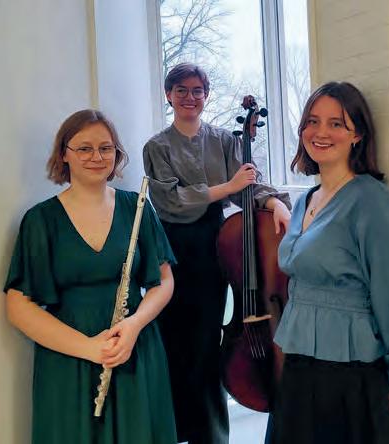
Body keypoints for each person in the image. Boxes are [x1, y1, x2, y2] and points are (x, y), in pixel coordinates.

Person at [4, 109, 177, 444]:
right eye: (84, 148)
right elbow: (18, 306)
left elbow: (163, 281)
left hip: (133, 347)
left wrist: (134, 325)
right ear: (63, 154)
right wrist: (89, 348)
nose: (97, 157)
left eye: (106, 148)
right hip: (68, 356)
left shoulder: (137, 207)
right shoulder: (40, 220)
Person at [143, 62, 291, 444]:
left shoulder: (225, 140)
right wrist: (226, 187)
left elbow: (248, 186)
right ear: (168, 95)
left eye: (197, 90)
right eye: (181, 90)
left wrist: (274, 202)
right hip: (173, 247)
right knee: (174, 340)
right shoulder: (157, 146)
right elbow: (170, 201)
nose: (189, 97)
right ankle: (174, 432)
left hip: (213, 244)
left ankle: (211, 436)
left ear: (206, 96)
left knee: (208, 344)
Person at [273, 82, 389, 444]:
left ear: (357, 134)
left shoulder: (373, 204)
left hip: (350, 378)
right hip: (298, 370)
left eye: (336, 124)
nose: (321, 132)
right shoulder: (306, 200)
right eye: (313, 121)